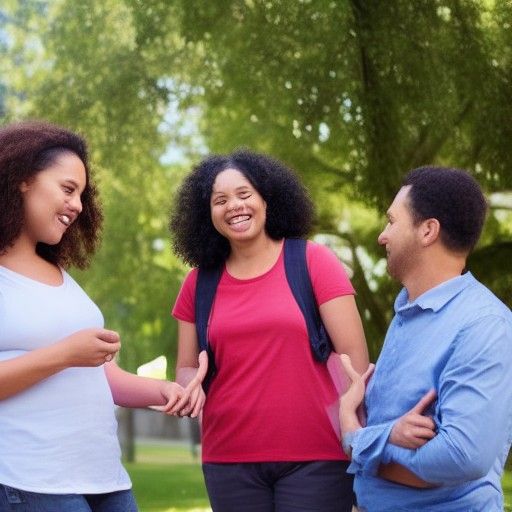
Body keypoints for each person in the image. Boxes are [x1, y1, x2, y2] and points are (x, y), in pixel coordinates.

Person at [0, 120, 206, 512]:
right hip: (31, 482)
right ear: (23, 180)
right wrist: (66, 353)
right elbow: (68, 359)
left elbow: (99, 377)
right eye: (67, 189)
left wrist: (163, 392)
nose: (77, 205)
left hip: (104, 478)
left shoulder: (62, 278)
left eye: (81, 194)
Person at [169, 149, 369, 512]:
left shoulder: (313, 261)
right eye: (220, 200)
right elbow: (185, 367)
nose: (234, 206)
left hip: (318, 455)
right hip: (228, 459)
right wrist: (188, 387)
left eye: (244, 194)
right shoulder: (198, 284)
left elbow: (355, 361)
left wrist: (355, 429)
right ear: (207, 213)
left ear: (266, 198)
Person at [339, 166, 512, 511]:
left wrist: (358, 439)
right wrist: (375, 424)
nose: (382, 236)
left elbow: (463, 456)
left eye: (392, 221)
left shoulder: (485, 324)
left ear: (428, 230)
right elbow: (396, 428)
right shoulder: (406, 311)